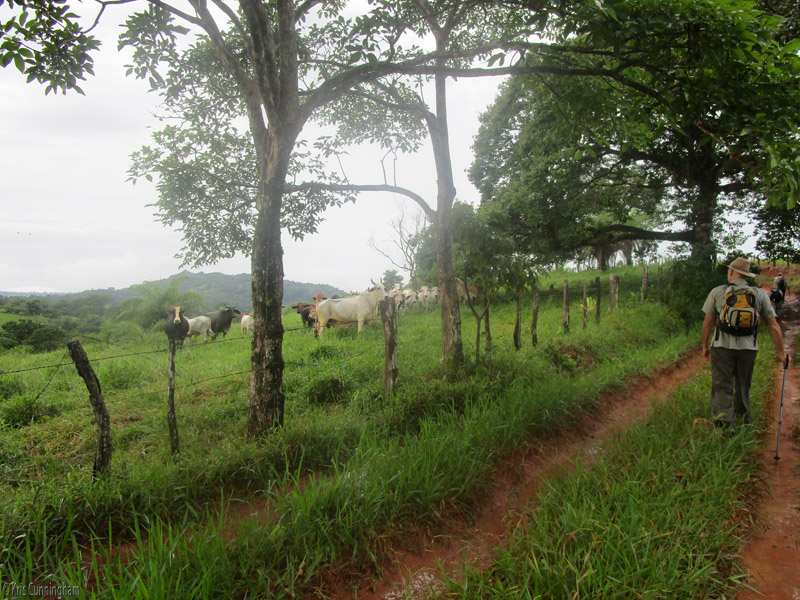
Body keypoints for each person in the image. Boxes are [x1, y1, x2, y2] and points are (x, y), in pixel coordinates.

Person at [701, 257, 785, 428]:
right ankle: (743, 422)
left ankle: (725, 426)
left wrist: (705, 346)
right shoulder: (759, 294)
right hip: (748, 349)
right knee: (743, 385)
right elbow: (773, 326)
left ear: (731, 272)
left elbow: (708, 323)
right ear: (746, 275)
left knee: (722, 385)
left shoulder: (718, 292)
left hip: (722, 347)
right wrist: (781, 352)